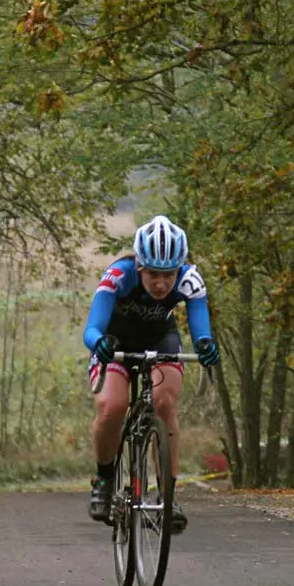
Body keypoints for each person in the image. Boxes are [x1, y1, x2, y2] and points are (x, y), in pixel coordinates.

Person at [83, 214, 220, 533]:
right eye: (154, 275)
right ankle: (104, 480)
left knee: (165, 402)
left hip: (161, 339)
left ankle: (167, 496)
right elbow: (92, 328)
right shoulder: (118, 275)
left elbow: (201, 331)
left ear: (179, 270)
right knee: (112, 406)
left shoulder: (191, 280)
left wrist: (205, 345)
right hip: (115, 341)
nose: (161, 284)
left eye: (169, 276)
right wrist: (99, 343)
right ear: (140, 267)